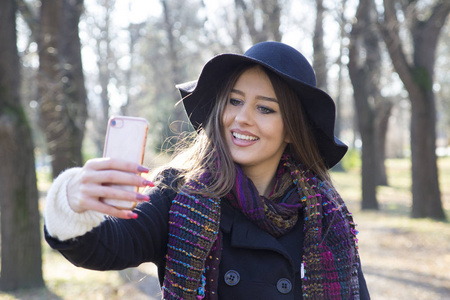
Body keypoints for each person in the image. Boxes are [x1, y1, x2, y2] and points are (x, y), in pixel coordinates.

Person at [44, 41, 370, 300]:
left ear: (291, 129)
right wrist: (70, 198)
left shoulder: (325, 215)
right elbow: (108, 246)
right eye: (234, 100)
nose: (241, 117)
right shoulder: (179, 192)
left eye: (265, 108)